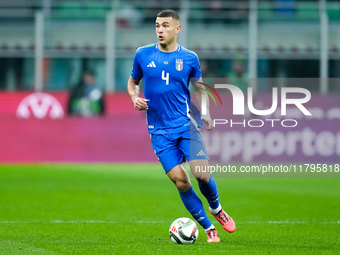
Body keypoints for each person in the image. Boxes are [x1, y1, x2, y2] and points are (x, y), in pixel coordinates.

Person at [127, 9, 235, 243]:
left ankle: (217, 209)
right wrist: (134, 97)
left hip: (186, 125)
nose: (160, 30)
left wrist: (205, 112)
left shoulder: (189, 58)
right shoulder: (143, 54)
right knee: (180, 180)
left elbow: (200, 88)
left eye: (165, 25)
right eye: (157, 25)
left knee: (201, 175)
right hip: (158, 131)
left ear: (177, 29)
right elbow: (133, 81)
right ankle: (208, 228)